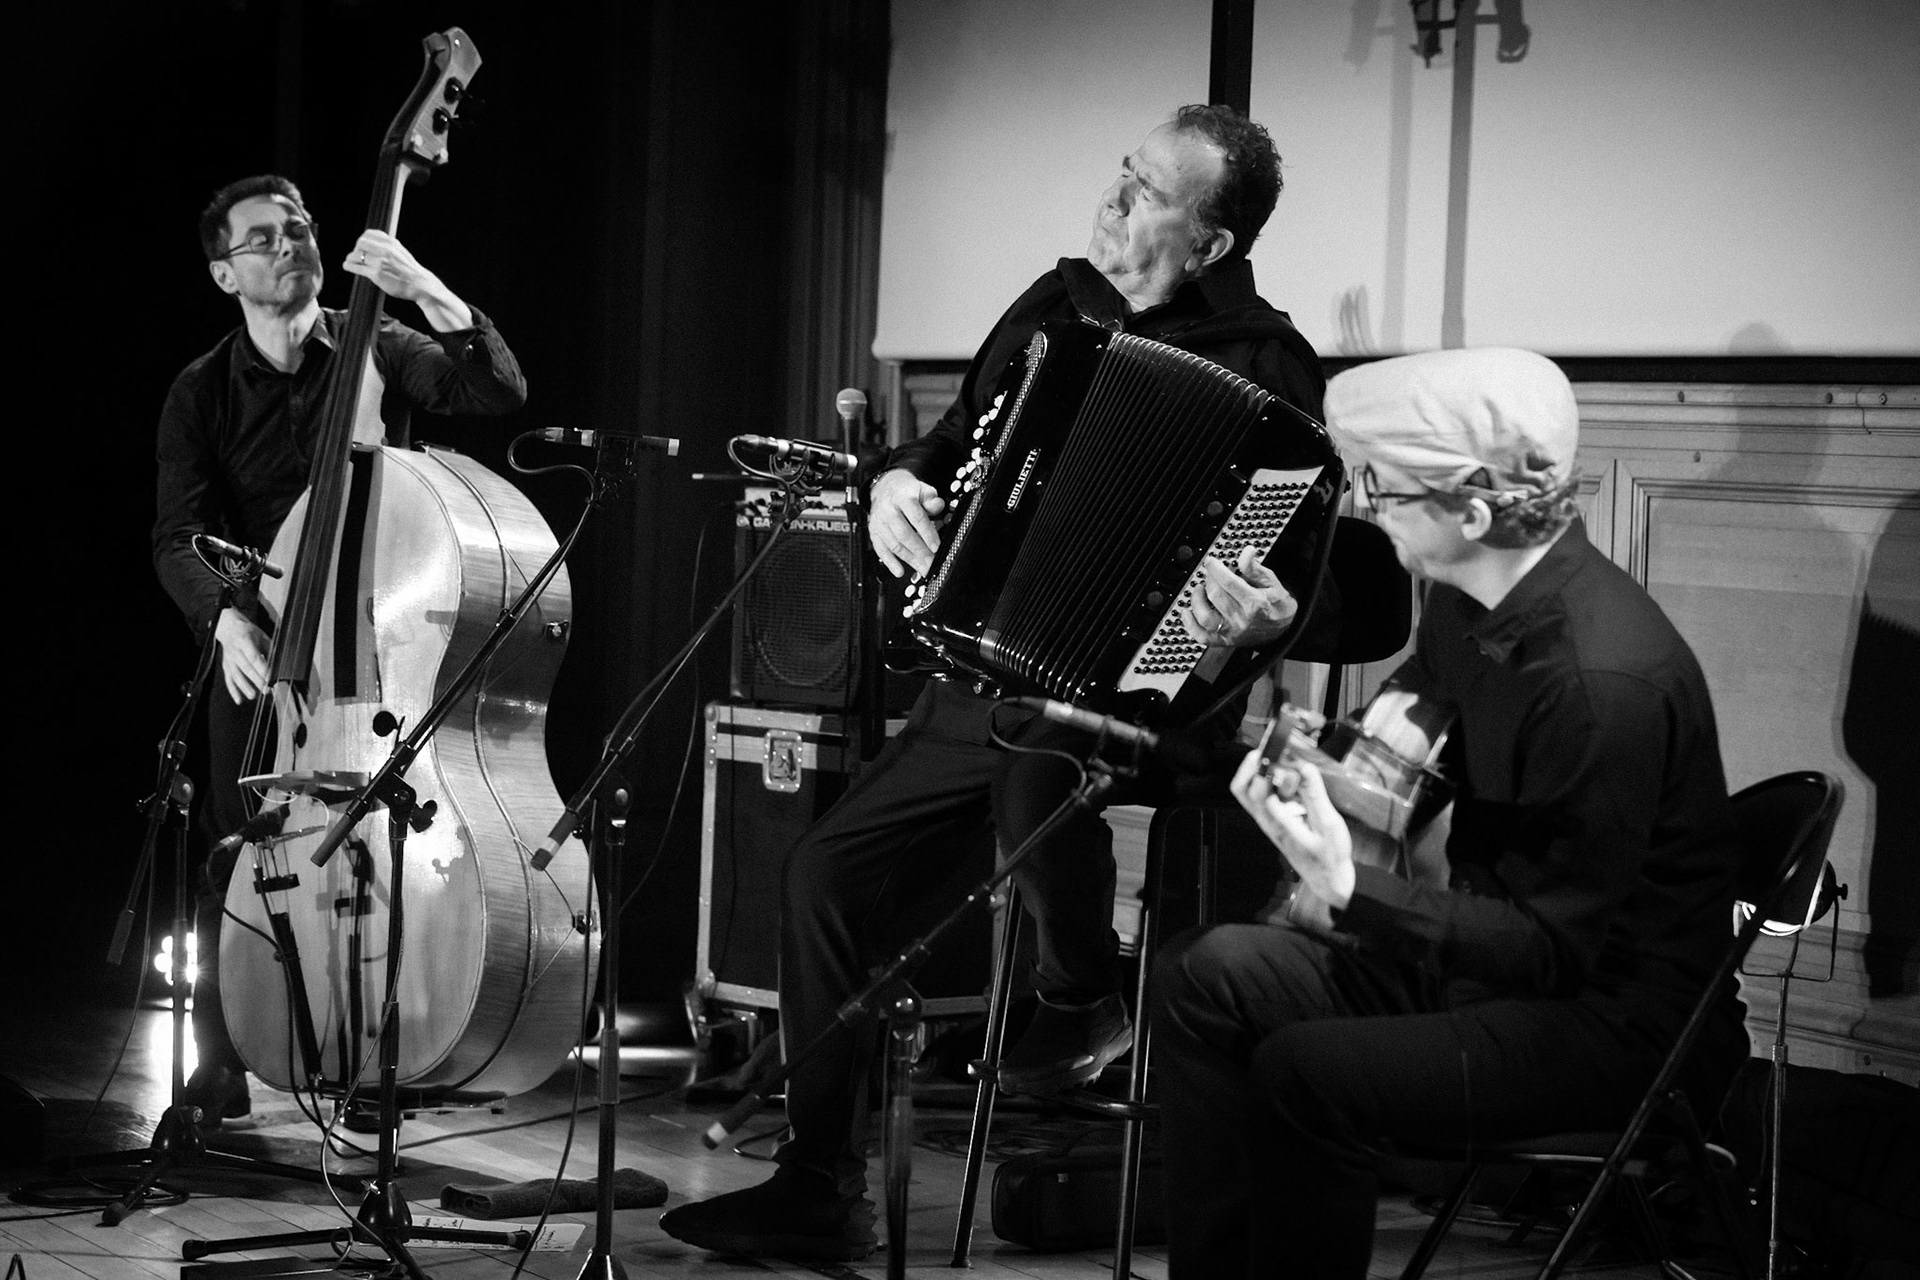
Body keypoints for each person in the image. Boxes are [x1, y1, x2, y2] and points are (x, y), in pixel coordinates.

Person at [662, 104, 1355, 1263]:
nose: (1116, 197)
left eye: (1150, 191)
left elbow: (1294, 573)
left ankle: (1084, 990)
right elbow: (943, 453)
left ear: (1215, 243)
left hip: (1148, 696)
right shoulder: (1057, 304)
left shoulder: (1265, 362)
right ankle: (818, 1182)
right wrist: (891, 485)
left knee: (1042, 766)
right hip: (984, 672)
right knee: (821, 874)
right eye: (1122, 171)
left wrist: (1264, 619)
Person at [1151, 347, 1752, 1277]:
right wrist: (1220, 741)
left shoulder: (1600, 683)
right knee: (1206, 972)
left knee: (1307, 1073)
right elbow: (1387, 753)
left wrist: (1353, 890)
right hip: (1492, 963)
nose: (1367, 507)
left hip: (1609, 1023)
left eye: (1385, 492)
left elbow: (1555, 948)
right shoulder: (1462, 604)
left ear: (1473, 511)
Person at [151, 174, 528, 1126]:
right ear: (222, 272)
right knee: (236, 850)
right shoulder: (200, 390)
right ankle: (224, 1056)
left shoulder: (380, 345)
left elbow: (495, 388)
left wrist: (428, 292)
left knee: (381, 849)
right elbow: (173, 536)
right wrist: (223, 620)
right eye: (265, 238)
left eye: (302, 229)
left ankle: (372, 1056)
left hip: (373, 646)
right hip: (263, 646)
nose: (293, 246)